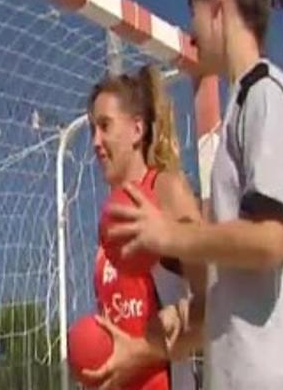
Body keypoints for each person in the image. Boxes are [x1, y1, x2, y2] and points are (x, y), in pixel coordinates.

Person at [107, 0, 283, 389]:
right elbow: (249, 274)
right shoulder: (245, 104)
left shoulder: (265, 94)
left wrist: (171, 234)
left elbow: (270, 240)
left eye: (193, 12)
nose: (191, 34)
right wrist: (191, 311)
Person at [80, 65, 205, 390]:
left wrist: (143, 351)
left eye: (105, 126)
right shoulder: (110, 219)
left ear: (137, 129)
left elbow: (215, 301)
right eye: (93, 129)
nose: (95, 141)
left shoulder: (166, 190)